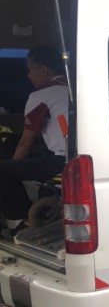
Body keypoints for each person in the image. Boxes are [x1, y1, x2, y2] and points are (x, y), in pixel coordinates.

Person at [0, 46, 69, 235]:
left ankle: (22, 219)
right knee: (11, 141)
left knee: (3, 169)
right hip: (82, 154)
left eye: (30, 69)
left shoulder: (41, 96)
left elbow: (26, 143)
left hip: (61, 161)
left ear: (45, 70)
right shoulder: (75, 90)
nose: (28, 75)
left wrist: (11, 172)